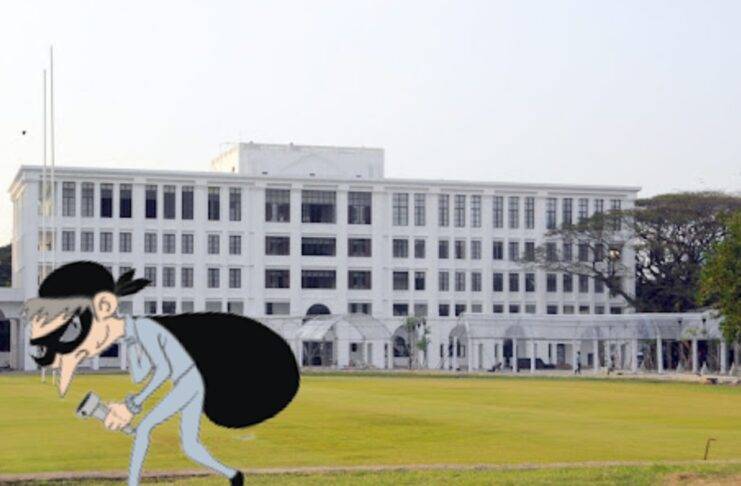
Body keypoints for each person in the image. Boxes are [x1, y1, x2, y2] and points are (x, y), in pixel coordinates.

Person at [25, 261, 300, 486]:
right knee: (190, 445)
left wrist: (133, 406)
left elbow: (165, 370)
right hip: (187, 382)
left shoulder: (145, 328)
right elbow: (142, 375)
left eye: (70, 331)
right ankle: (233, 475)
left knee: (145, 430)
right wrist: (117, 407)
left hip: (188, 381)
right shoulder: (133, 339)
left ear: (105, 306)